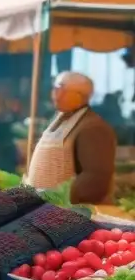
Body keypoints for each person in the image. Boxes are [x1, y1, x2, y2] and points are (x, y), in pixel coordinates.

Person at [25, 71, 116, 204]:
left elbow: (96, 178)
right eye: (55, 88)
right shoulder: (60, 118)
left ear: (80, 96)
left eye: (61, 89)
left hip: (70, 213)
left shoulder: (93, 127)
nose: (55, 94)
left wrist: (55, 197)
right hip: (45, 209)